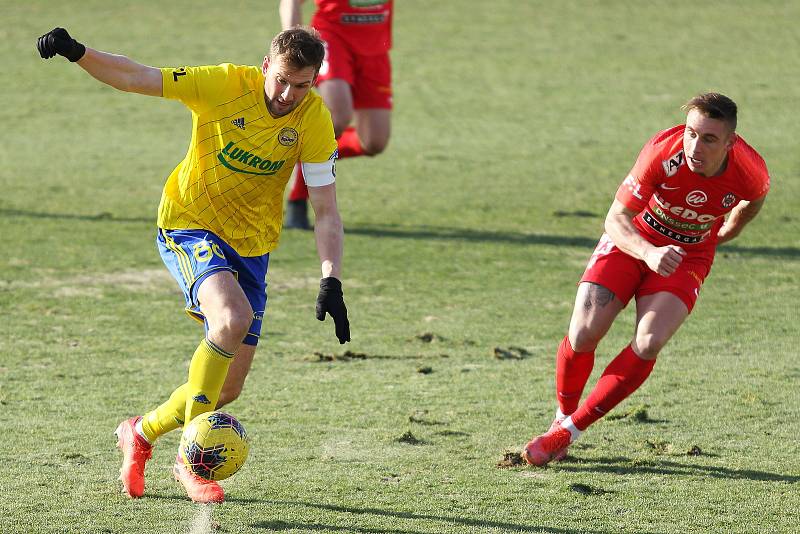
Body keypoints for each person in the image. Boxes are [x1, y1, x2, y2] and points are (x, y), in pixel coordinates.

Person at [37, 26, 351, 502]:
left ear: (314, 81)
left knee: (226, 389)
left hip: (253, 245)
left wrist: (331, 279)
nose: (289, 94)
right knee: (231, 319)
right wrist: (77, 52)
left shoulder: (313, 119)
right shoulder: (223, 84)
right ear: (266, 66)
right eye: (283, 80)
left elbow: (326, 211)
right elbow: (136, 76)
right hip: (191, 222)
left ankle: (140, 432)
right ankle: (190, 462)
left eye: (302, 85)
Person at [523, 93, 770, 466]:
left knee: (650, 341)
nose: (694, 146)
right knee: (584, 332)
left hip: (689, 255)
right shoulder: (661, 152)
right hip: (633, 239)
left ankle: (568, 431)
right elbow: (615, 219)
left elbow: (755, 199)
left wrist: (729, 230)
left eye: (709, 139)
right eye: (691, 133)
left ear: (730, 143)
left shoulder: (750, 171)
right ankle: (562, 415)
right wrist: (649, 252)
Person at [279, 0, 393, 229]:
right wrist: (294, 51)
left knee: (373, 142)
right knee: (338, 117)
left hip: (376, 47)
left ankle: (296, 151)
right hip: (332, 39)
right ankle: (298, 198)